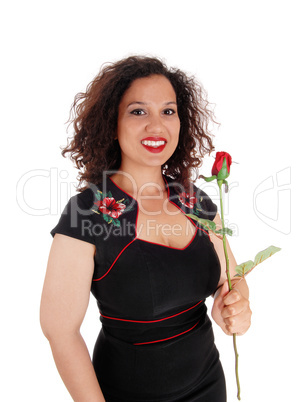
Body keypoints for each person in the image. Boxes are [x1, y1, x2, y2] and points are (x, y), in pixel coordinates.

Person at [40, 56, 252, 402]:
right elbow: (59, 331)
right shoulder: (88, 212)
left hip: (209, 385)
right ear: (113, 123)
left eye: (168, 112)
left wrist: (235, 305)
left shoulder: (193, 200)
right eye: (138, 112)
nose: (156, 126)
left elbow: (229, 276)